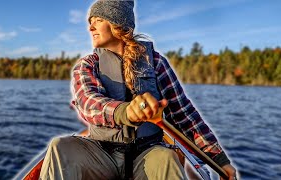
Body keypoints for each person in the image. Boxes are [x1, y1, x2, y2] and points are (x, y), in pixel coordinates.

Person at [40, 0, 237, 179]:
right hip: (102, 153)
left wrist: (220, 160)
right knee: (59, 147)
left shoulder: (157, 63)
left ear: (118, 24)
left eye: (98, 20)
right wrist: (125, 111)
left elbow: (185, 114)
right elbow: (87, 102)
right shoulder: (88, 65)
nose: (90, 27)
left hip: (147, 153)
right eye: (90, 21)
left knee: (167, 158)